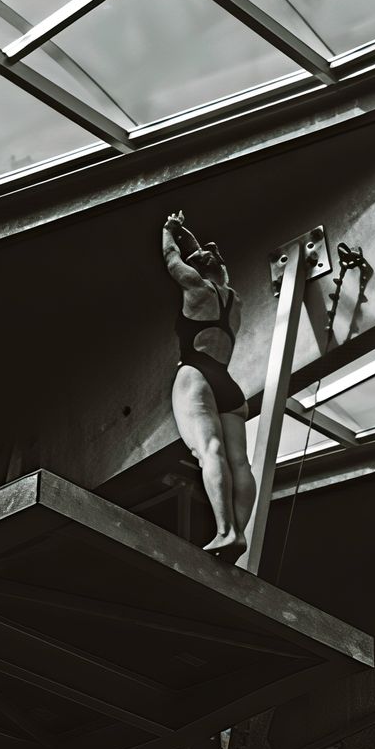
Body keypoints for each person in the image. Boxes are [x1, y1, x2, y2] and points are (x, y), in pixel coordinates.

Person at [162, 210, 253, 555]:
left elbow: (172, 260)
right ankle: (238, 532)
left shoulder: (196, 288)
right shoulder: (234, 300)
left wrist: (170, 229)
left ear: (200, 267)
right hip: (228, 383)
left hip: (197, 373)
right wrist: (190, 238)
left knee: (209, 451)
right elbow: (205, 259)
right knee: (240, 461)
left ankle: (226, 529)